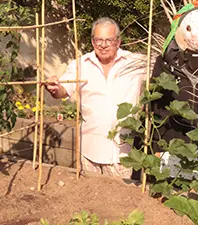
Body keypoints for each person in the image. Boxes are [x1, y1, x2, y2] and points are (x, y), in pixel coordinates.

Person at [43, 17, 144, 178]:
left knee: (120, 201)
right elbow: (63, 90)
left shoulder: (135, 63)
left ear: (118, 42)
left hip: (122, 154)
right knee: (90, 198)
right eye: (99, 40)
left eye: (109, 40)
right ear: (92, 41)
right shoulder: (81, 64)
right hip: (89, 152)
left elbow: (162, 69)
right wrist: (54, 88)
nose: (103, 45)